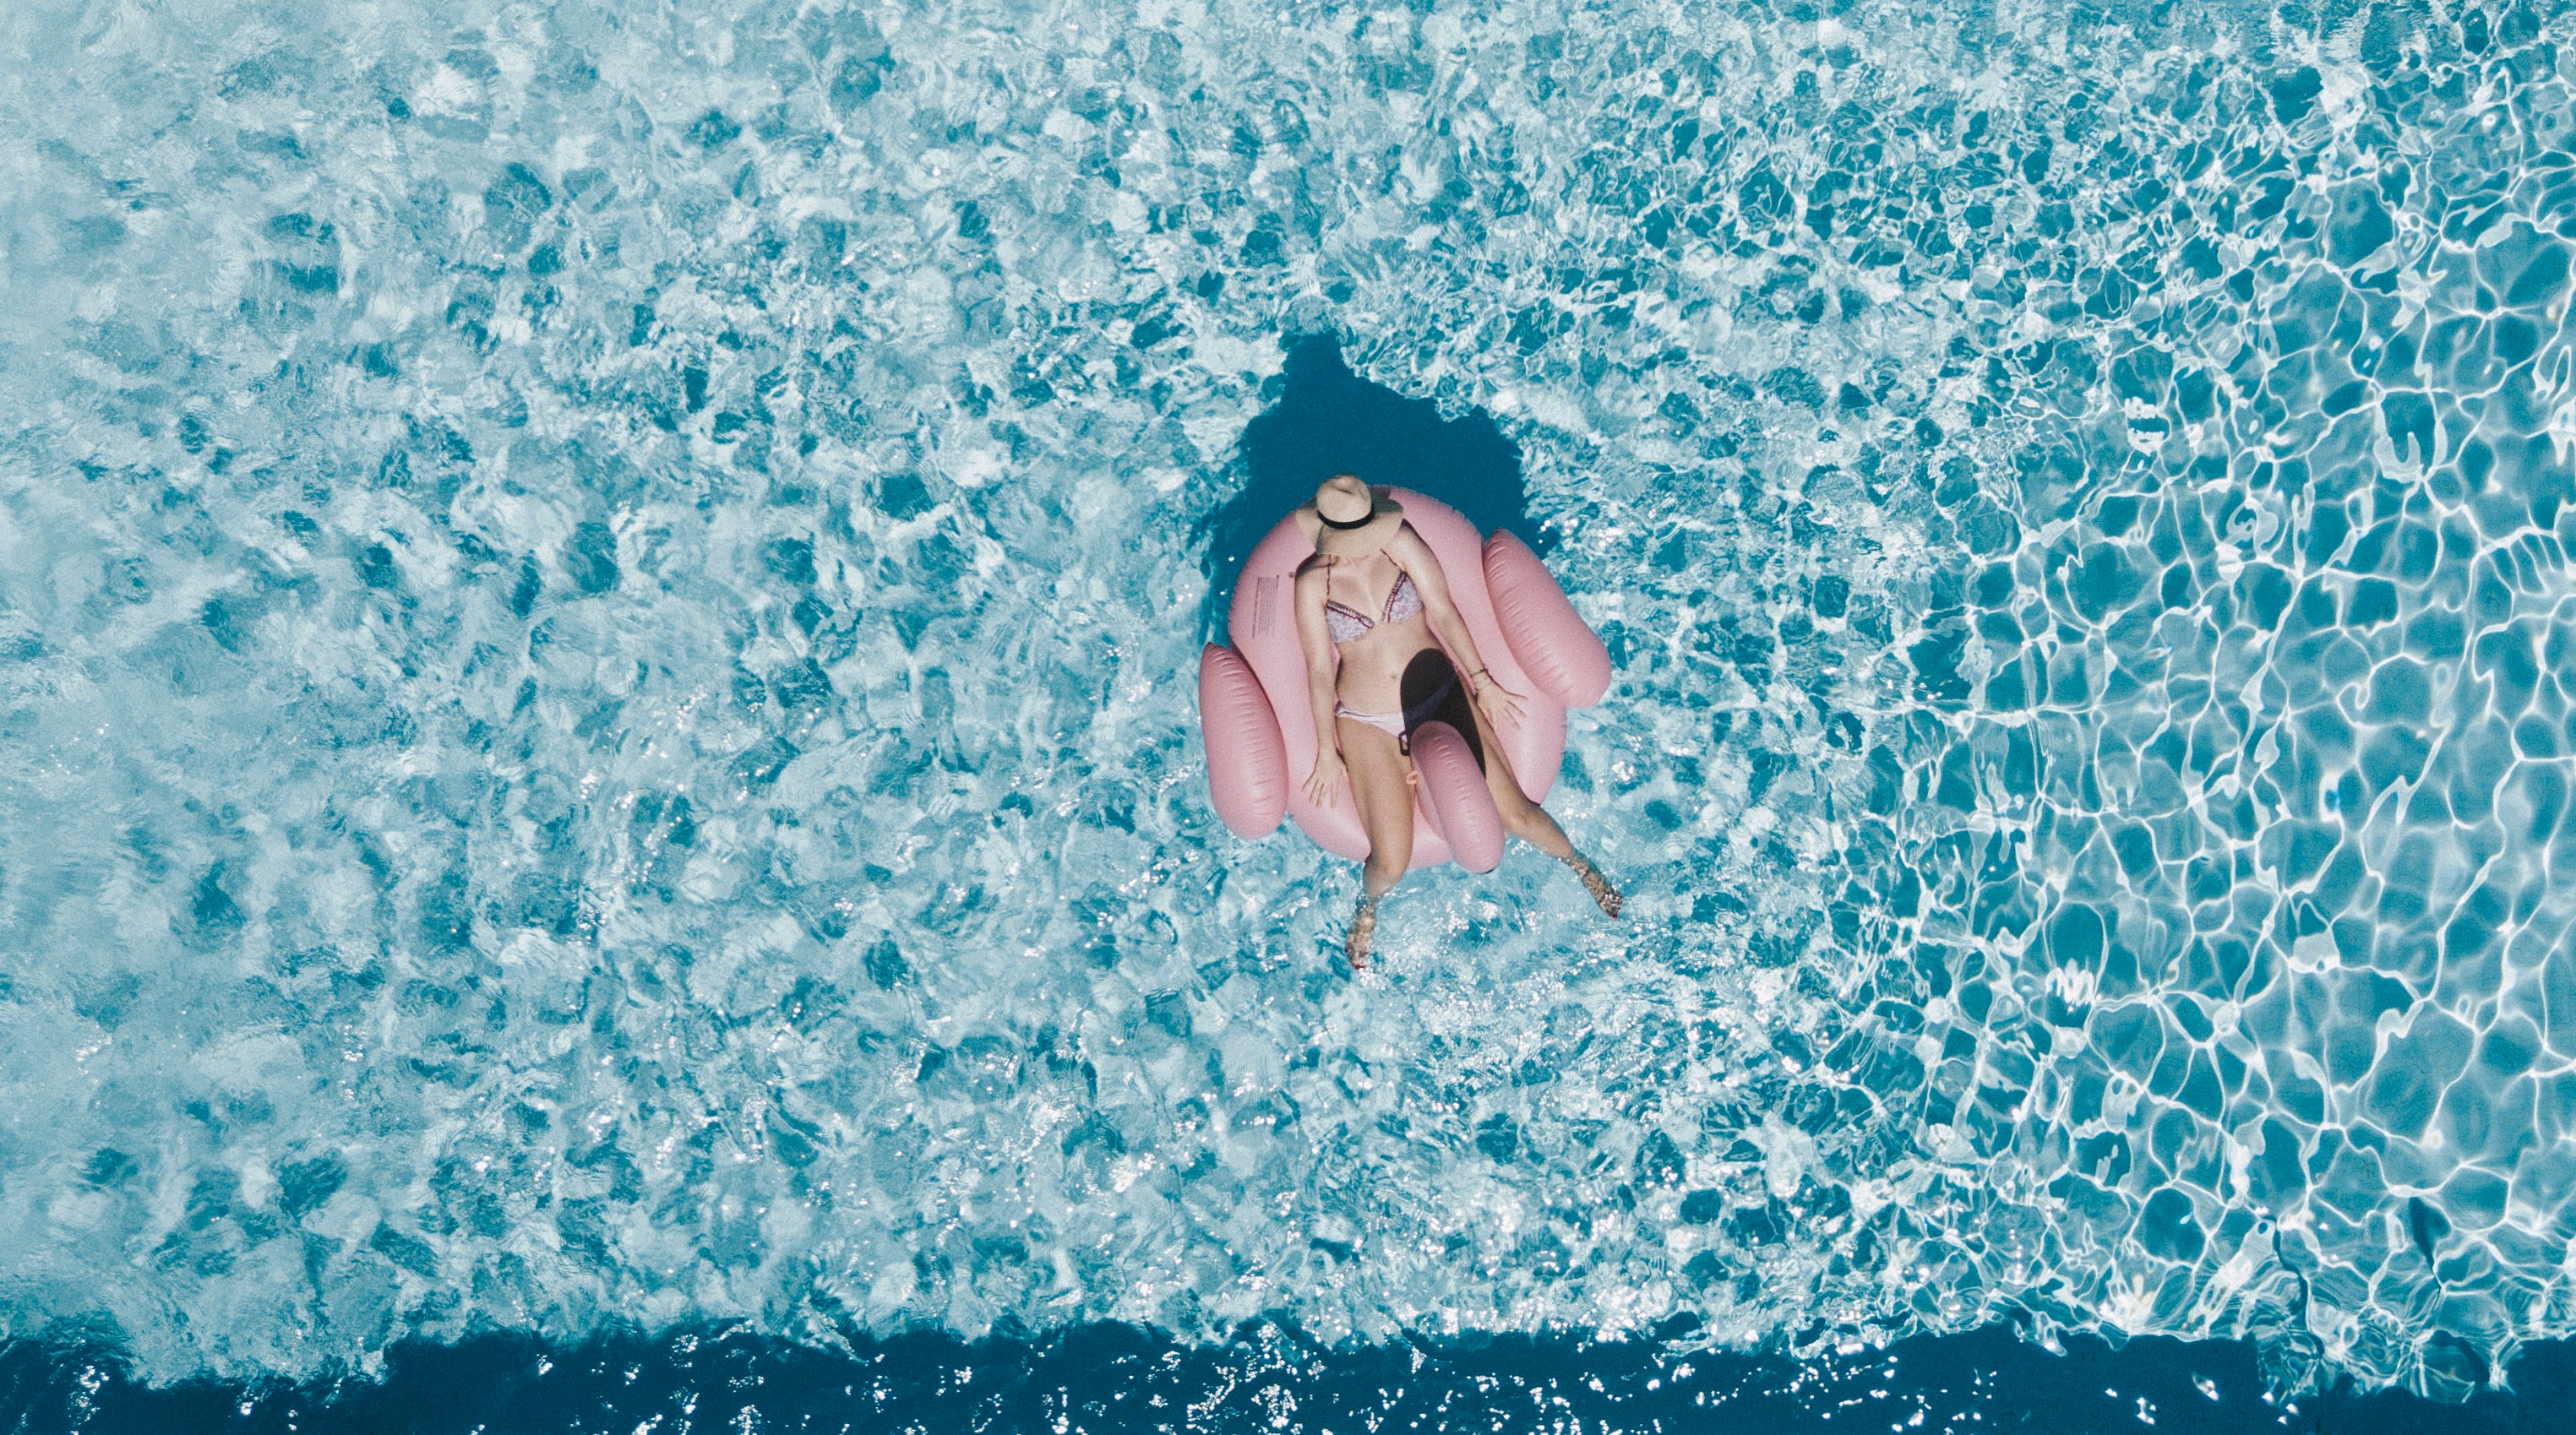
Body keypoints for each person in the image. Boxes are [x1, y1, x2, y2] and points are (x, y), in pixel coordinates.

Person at [1293, 474, 1621, 967]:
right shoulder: (1311, 581)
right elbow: (1320, 670)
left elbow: (1444, 612)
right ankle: (1369, 905)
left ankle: (1581, 866)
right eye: (1347, 542)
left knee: (1518, 815)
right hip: (1365, 720)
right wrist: (1324, 749)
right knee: (1391, 862)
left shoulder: (1399, 542)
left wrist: (1483, 682)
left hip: (1438, 694)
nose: (1360, 551)